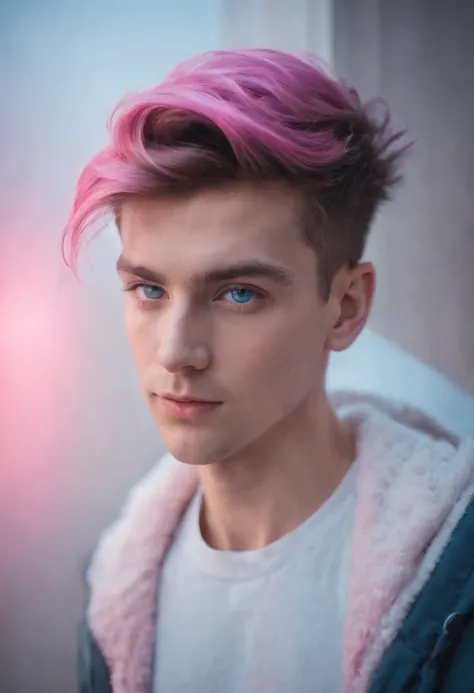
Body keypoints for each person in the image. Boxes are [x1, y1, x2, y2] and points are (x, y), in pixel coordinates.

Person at [64, 49, 474, 693]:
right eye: (149, 289)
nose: (177, 352)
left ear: (346, 307)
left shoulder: (458, 579)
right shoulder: (113, 593)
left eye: (239, 294)